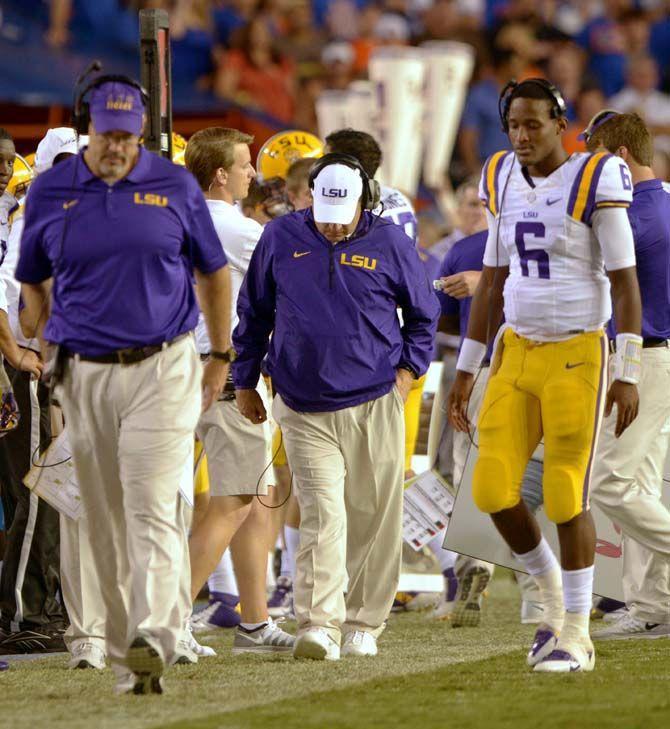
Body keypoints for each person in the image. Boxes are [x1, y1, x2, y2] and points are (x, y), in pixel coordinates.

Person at [16, 79, 232, 695]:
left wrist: (219, 354)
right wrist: (45, 328)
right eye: (105, 135)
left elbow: (213, 274)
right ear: (88, 128)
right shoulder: (53, 189)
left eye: (126, 136)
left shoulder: (173, 186)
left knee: (156, 500)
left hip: (162, 365)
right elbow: (32, 276)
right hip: (83, 369)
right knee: (104, 514)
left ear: (140, 130)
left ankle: (157, 637)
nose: (115, 147)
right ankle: (121, 646)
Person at [447, 79, 642, 673]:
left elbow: (626, 280)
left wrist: (628, 368)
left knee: (563, 492)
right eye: (514, 126)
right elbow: (493, 280)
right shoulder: (501, 174)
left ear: (561, 123)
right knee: (490, 490)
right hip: (516, 351)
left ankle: (577, 633)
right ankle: (553, 596)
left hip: (578, 350)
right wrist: (466, 367)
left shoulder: (594, 176)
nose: (523, 136)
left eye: (534, 124)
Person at [233, 154, 439, 660]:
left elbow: (423, 315)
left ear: (363, 201)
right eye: (325, 209)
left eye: (342, 212)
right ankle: (319, 624)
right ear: (311, 197)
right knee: (323, 512)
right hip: (302, 403)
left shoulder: (391, 242)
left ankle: (364, 622)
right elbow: (254, 311)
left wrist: (407, 375)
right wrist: (244, 380)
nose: (332, 222)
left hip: (374, 399)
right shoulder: (281, 238)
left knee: (374, 516)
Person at [184, 126, 294, 655]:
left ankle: (255, 619)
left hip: (180, 371)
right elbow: (296, 278)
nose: (254, 173)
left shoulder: (176, 216)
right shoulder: (236, 228)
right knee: (234, 500)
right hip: (224, 376)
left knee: (254, 498)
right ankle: (165, 619)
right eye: (246, 164)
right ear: (221, 174)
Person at [583, 112, 670, 640]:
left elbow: (586, 268)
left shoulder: (636, 215)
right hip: (656, 355)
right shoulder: (662, 201)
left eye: (593, 157)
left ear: (616, 157)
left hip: (643, 359)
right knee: (640, 485)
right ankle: (653, 606)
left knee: (610, 485)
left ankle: (651, 604)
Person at [0, 128, 67, 654]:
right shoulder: (32, 218)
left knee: (52, 492)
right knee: (37, 492)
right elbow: (7, 293)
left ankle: (45, 604)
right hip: (33, 370)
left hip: (54, 368)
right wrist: (18, 352)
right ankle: (20, 612)